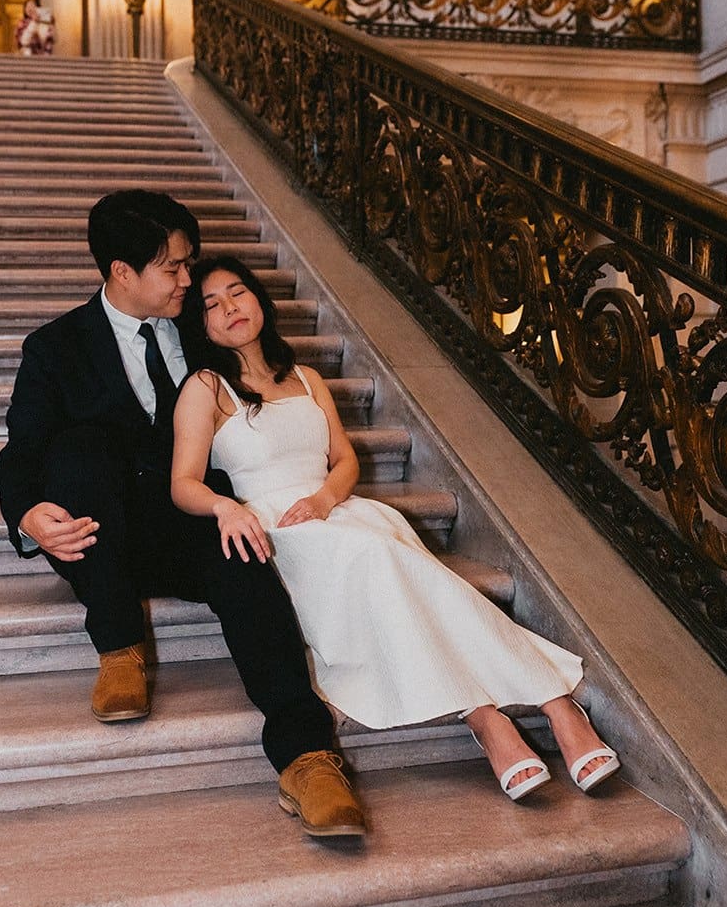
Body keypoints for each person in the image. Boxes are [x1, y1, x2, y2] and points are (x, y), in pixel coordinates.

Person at [172, 257, 621, 802]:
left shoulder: (307, 379)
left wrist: (323, 499)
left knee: (382, 548)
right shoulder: (206, 386)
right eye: (211, 306)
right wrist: (225, 508)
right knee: (379, 559)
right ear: (201, 326)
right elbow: (183, 483)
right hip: (275, 530)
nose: (229, 309)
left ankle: (555, 706)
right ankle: (491, 714)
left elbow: (344, 461)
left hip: (333, 508)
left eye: (236, 293)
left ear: (258, 300)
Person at [0, 190, 366, 838]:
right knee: (80, 450)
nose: (189, 282)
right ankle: (118, 648)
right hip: (99, 535)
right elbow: (20, 454)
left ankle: (308, 758)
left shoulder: (201, 330)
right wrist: (28, 514)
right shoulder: (56, 349)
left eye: (189, 265)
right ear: (121, 272)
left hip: (188, 522)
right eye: (173, 268)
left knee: (242, 554)